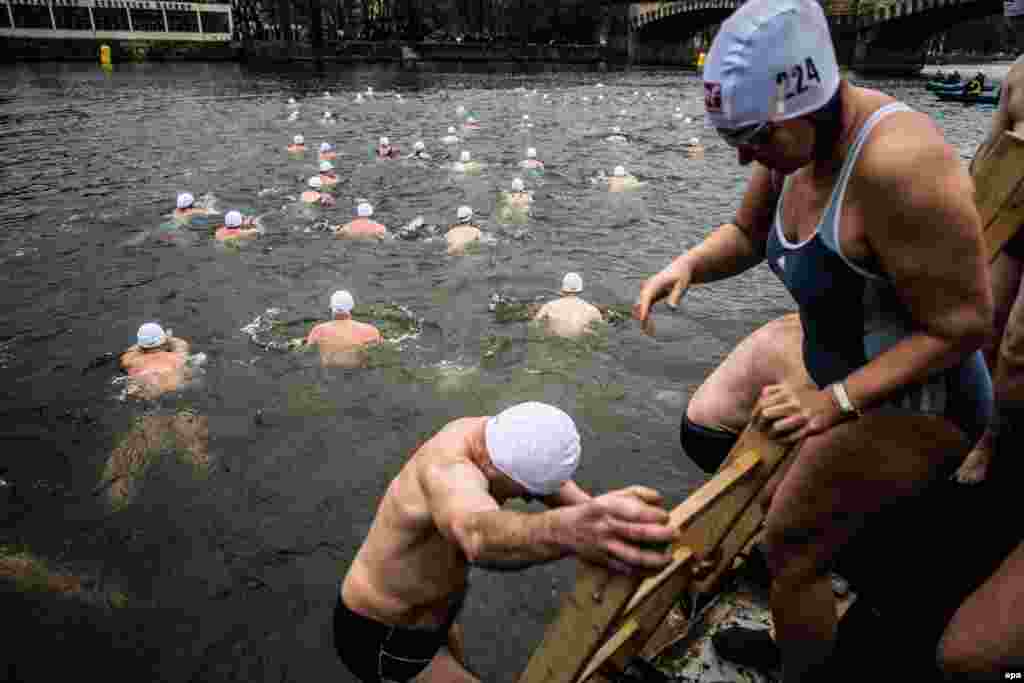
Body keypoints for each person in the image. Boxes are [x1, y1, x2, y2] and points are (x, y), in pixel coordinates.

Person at [633, 0, 992, 680]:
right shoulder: (791, 145)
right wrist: (688, 266)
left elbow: (965, 324)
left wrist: (835, 403)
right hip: (848, 382)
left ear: (809, 101)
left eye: (753, 137)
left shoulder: (899, 166)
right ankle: (810, 627)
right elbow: (746, 234)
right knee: (787, 514)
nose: (744, 155)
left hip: (924, 402)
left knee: (789, 539)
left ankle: (806, 665)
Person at [335, 401, 676, 683]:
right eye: (522, 492)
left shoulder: (500, 437)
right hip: (382, 635)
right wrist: (570, 531)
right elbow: (477, 535)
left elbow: (562, 494)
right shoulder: (448, 470)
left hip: (432, 621)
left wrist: (617, 524)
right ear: (493, 466)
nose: (527, 499)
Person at [306, 290, 382, 368]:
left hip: (329, 373)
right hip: (359, 372)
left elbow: (308, 354)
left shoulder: (318, 331)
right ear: (352, 308)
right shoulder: (370, 331)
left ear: (331, 307)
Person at [120, 323, 192, 400]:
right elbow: (180, 343)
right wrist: (167, 338)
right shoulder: (178, 356)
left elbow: (133, 349)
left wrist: (145, 343)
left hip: (144, 389)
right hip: (175, 389)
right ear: (164, 340)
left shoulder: (130, 360)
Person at [533, 273, 604, 339]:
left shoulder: (549, 306)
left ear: (562, 289)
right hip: (578, 341)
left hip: (553, 338)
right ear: (580, 289)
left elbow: (534, 324)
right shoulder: (592, 310)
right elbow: (602, 329)